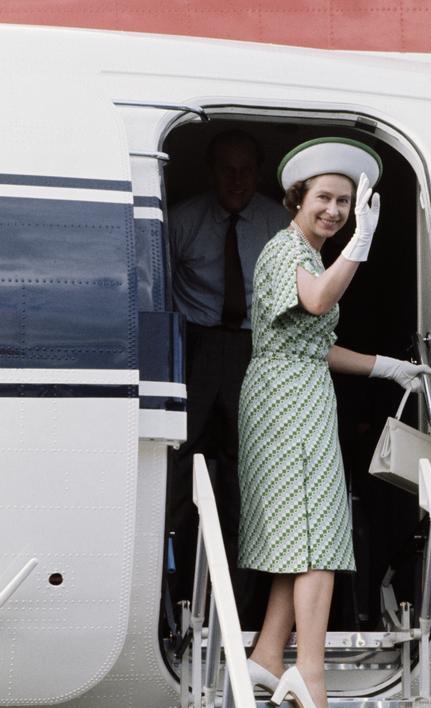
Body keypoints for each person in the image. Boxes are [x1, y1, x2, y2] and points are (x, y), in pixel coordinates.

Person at [237, 137, 431, 708]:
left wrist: (387, 367)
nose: (336, 209)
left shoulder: (306, 254)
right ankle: (311, 678)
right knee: (320, 538)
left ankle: (269, 658)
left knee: (298, 537)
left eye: (346, 202)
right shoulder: (287, 251)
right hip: (288, 404)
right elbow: (319, 302)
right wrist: (362, 244)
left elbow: (314, 345)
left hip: (295, 394)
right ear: (298, 198)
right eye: (325, 197)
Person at [167, 129, 288, 614]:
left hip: (255, 349)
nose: (237, 180)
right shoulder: (182, 220)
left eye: (246, 170)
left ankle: (241, 604)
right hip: (192, 348)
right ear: (210, 171)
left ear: (257, 173)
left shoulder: (279, 222)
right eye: (226, 169)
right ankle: (169, 595)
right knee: (175, 471)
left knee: (252, 476)